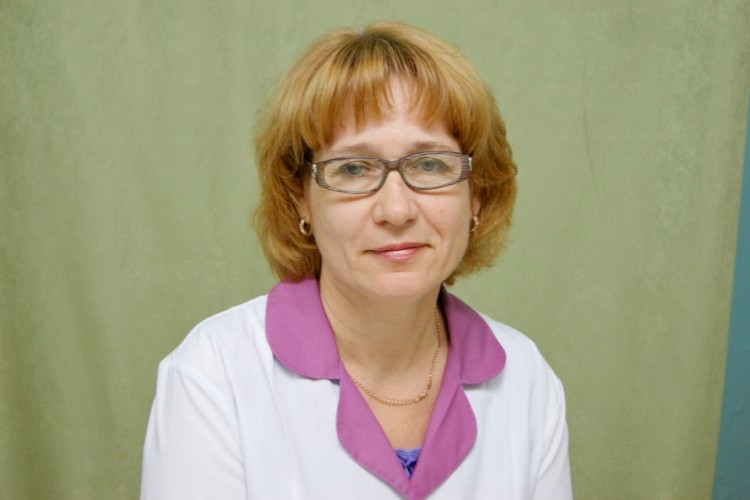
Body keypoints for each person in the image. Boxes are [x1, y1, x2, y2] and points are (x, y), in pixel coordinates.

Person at [141, 21, 572, 500]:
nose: (397, 210)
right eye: (353, 168)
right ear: (300, 199)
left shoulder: (526, 377)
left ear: (478, 194)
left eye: (429, 164)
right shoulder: (213, 374)